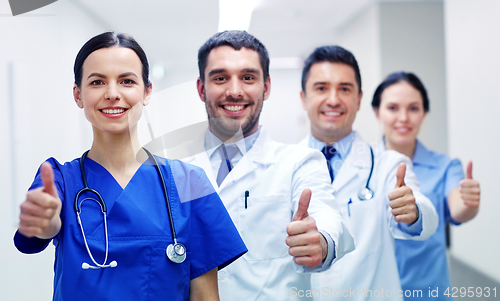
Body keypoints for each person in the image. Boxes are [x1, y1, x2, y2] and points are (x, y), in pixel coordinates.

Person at [13, 32, 247, 301]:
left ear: (147, 92)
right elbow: (43, 228)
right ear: (78, 95)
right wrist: (43, 220)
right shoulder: (60, 179)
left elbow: (205, 296)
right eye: (97, 82)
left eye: (126, 81)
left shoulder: (189, 182)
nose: (113, 94)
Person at [164, 30, 354, 301]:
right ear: (201, 88)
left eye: (248, 77)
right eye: (220, 78)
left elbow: (327, 215)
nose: (234, 91)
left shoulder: (299, 162)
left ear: (266, 87)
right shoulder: (173, 172)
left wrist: (321, 240)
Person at [298, 46, 439, 300]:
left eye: (344, 89)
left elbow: (426, 219)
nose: (333, 99)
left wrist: (413, 211)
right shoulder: (284, 166)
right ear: (303, 97)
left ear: (359, 99)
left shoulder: (389, 165)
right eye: (321, 88)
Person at [371, 71, 481, 300]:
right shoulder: (362, 168)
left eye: (413, 108)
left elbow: (458, 209)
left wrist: (469, 203)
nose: (403, 118)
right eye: (392, 108)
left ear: (424, 113)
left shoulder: (445, 166)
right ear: (376, 112)